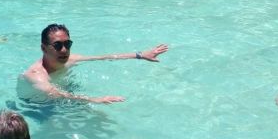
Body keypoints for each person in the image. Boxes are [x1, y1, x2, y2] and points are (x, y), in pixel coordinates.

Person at [20, 23, 169, 103]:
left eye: (68, 44)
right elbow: (54, 94)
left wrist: (140, 55)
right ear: (43, 48)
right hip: (37, 105)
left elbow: (105, 57)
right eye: (58, 45)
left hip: (63, 92)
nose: (64, 50)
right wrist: (96, 99)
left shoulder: (70, 59)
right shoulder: (36, 75)